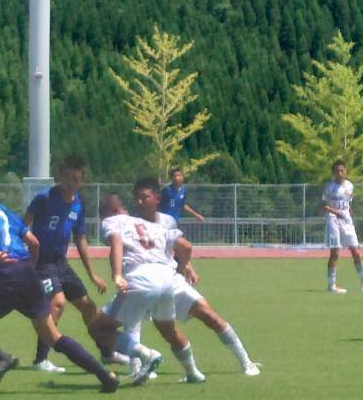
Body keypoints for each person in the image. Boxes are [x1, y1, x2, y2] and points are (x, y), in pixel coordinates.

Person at [0, 159, 119, 392]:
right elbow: (34, 242)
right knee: (53, 336)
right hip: (27, 270)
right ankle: (105, 376)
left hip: (5, 274)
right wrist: (29, 269)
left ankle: (1, 358)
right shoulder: (0, 207)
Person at [114, 192, 261, 377]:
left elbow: (178, 247)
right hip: (141, 279)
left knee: (208, 315)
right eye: (137, 198)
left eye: (145, 197)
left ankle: (246, 362)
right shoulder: (127, 225)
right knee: (134, 323)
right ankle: (137, 369)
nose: (139, 201)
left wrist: (186, 267)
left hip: (169, 278)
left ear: (157, 199)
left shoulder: (166, 221)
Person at [88, 180, 206, 385]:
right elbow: (186, 247)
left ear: (111, 212)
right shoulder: (151, 225)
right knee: (169, 330)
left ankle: (146, 355)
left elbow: (116, 242)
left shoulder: (113, 221)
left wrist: (117, 274)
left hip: (140, 279)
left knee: (97, 329)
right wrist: (178, 271)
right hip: (166, 280)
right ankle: (193, 372)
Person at [23, 156, 108, 373]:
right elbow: (22, 224)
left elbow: (80, 239)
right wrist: (22, 250)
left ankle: (107, 352)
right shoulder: (44, 198)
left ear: (82, 181)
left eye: (76, 179)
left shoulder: (79, 203)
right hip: (42, 262)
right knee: (57, 303)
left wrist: (92, 275)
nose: (71, 183)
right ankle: (41, 360)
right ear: (59, 177)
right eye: (67, 177)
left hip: (61, 263)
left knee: (88, 306)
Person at [320, 160, 363, 294]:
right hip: (333, 219)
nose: (339, 173)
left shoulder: (350, 186)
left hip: (346, 221)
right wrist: (336, 212)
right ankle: (331, 285)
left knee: (355, 250)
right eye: (337, 171)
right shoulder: (329, 187)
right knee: (335, 252)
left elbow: (348, 203)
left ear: (346, 171)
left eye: (342, 170)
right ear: (333, 173)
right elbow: (324, 205)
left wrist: (350, 214)